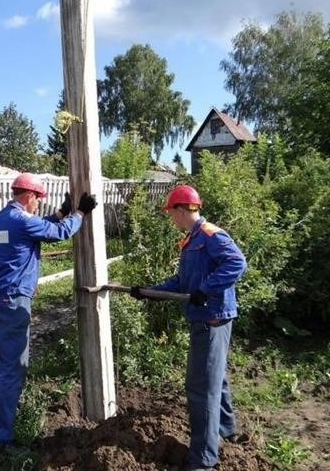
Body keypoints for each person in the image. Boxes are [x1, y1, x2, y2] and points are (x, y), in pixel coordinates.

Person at [0, 172, 97, 454]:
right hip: (11, 305)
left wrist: (61, 212)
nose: (37, 206)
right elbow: (56, 233)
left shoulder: (1, 219)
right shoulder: (22, 220)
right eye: (37, 201)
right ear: (30, 196)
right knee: (13, 371)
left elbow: (37, 226)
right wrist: (79, 214)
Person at [130, 185, 247, 471]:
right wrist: (148, 292)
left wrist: (206, 290)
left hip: (212, 318)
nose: (171, 218)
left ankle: (203, 460)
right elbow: (182, 282)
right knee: (214, 379)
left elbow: (237, 263)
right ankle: (227, 431)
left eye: (172, 213)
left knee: (200, 387)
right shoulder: (192, 239)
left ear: (182, 210)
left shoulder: (210, 235)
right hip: (206, 317)